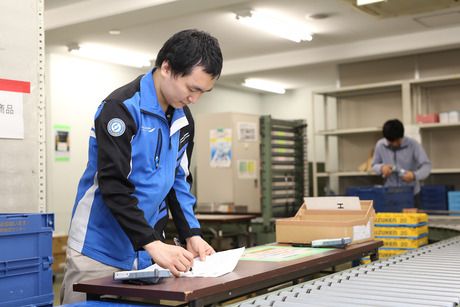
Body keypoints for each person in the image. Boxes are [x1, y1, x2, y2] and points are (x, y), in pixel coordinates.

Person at [60, 29, 223, 304]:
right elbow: (114, 185)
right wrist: (152, 242)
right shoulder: (120, 109)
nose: (194, 99)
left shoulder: (183, 120)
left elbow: (179, 181)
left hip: (147, 253)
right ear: (167, 67)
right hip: (98, 249)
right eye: (192, 89)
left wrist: (191, 233)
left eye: (203, 92)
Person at [372, 119, 431, 208]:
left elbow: (426, 165)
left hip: (412, 194)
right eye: (391, 142)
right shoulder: (380, 145)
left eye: (397, 141)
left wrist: (414, 175)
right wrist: (381, 168)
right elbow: (374, 165)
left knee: (412, 221)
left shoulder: (413, 144)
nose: (394, 144)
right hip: (390, 193)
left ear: (402, 136)